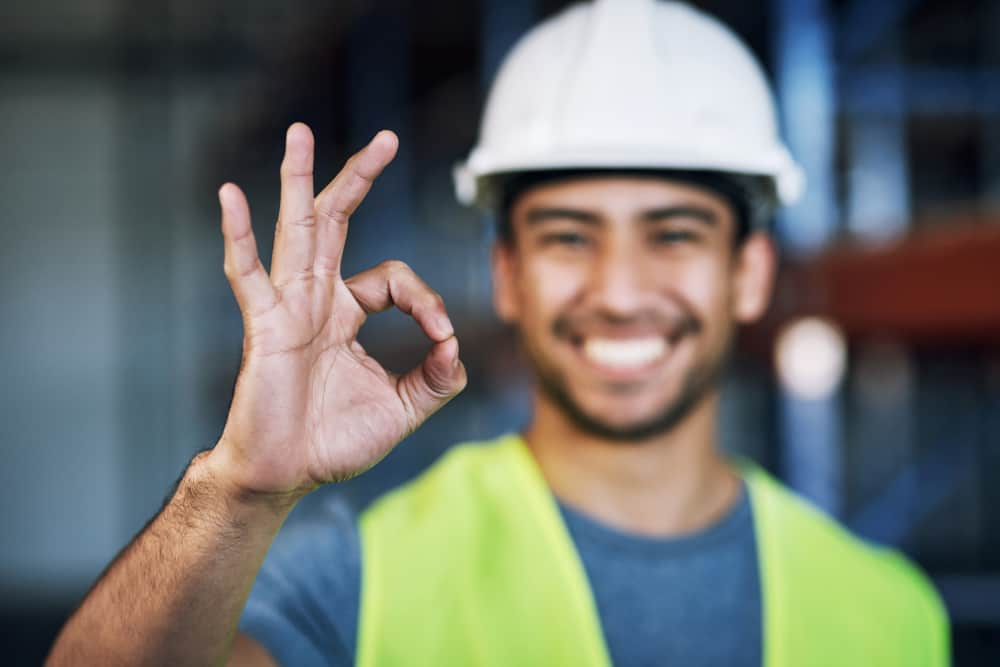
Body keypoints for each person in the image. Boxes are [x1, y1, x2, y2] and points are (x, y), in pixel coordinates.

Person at [48, 1, 949, 665]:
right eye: (568, 237)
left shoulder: (895, 612)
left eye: (673, 233)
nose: (621, 290)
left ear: (748, 273)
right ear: (507, 275)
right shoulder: (359, 580)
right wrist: (238, 491)